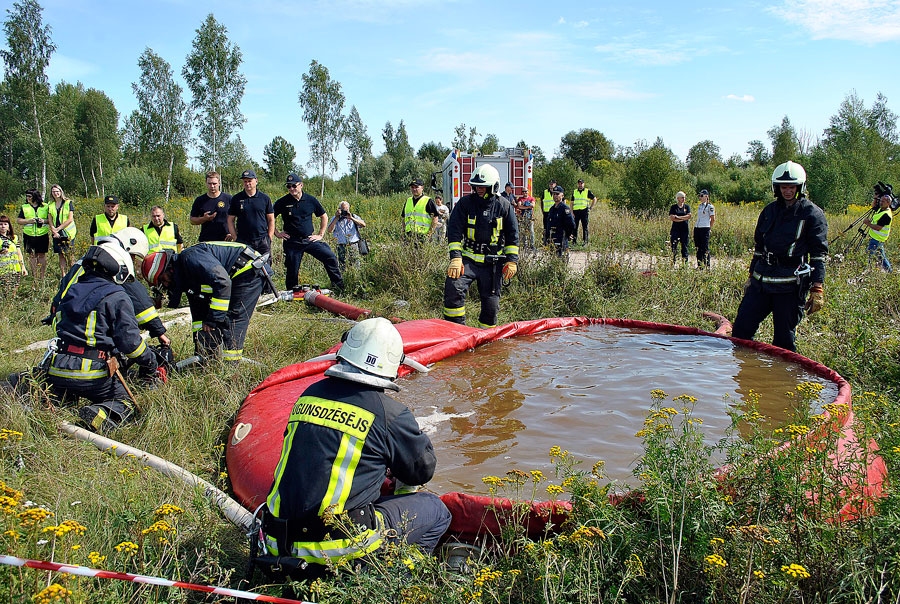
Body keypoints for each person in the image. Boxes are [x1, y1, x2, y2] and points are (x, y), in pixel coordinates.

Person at [260, 318, 451, 574]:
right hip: (334, 546)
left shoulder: (308, 395)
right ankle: (398, 576)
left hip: (275, 539)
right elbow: (420, 471)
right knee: (436, 510)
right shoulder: (389, 413)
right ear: (393, 366)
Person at [45, 242, 162, 433]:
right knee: (126, 403)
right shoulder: (116, 296)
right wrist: (150, 362)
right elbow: (131, 344)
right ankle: (97, 415)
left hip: (58, 369)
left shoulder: (73, 289)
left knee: (62, 398)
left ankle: (58, 404)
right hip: (91, 374)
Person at [732, 161, 828, 352]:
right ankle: (745, 375)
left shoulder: (812, 214)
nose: (787, 191)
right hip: (761, 283)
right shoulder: (769, 211)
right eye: (784, 187)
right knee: (741, 331)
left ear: (800, 187)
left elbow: (818, 254)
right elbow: (759, 248)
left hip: (790, 287)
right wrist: (751, 277)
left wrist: (817, 288)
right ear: (777, 188)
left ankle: (783, 381)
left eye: (791, 187)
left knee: (784, 341)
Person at [142, 241, 271, 363]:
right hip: (235, 275)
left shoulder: (191, 258)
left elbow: (222, 283)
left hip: (247, 270)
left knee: (232, 320)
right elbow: (198, 312)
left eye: (162, 280)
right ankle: (210, 360)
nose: (165, 284)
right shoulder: (185, 277)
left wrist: (212, 320)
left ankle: (232, 369)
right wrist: (200, 347)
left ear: (168, 269)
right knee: (217, 320)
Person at [49, 228, 171, 349]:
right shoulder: (113, 261)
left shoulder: (87, 259)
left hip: (63, 324)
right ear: (128, 247)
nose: (132, 260)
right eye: (133, 256)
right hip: (86, 330)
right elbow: (139, 300)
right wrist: (159, 332)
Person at [443, 164, 518, 328]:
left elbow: (513, 236)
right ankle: (455, 332)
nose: (479, 189)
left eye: (483, 186)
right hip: (467, 260)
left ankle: (485, 343)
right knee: (453, 288)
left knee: (491, 306)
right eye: (476, 186)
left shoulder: (504, 206)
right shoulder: (464, 204)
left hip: (492, 263)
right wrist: (456, 258)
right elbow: (454, 232)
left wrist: (511, 261)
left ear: (494, 186)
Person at [274, 173, 344, 292]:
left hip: (309, 239)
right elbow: (270, 218)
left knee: (330, 256)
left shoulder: (310, 200)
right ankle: (292, 293)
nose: (291, 189)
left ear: (301, 185)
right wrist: (277, 233)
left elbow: (324, 216)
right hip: (292, 241)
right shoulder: (283, 202)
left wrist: (320, 234)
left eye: (294, 186)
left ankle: (338, 287)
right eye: (288, 186)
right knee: (292, 269)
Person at [228, 169, 275, 256]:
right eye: (245, 181)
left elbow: (271, 219)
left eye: (249, 181)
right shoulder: (236, 199)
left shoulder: (265, 198)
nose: (247, 183)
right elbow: (230, 220)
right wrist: (235, 238)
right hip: (243, 241)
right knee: (243, 267)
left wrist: (269, 237)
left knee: (265, 267)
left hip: (262, 240)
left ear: (256, 181)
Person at [190, 171, 234, 243]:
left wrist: (233, 233)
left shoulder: (229, 199)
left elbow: (239, 218)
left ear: (219, 183)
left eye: (214, 183)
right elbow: (192, 220)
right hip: (206, 241)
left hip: (225, 240)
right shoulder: (200, 200)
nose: (212, 186)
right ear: (206, 183)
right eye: (209, 184)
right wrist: (204, 219)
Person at [16, 189, 49, 283]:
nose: (28, 198)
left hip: (42, 234)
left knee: (41, 255)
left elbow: (50, 220)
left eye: (29, 196)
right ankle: (35, 277)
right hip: (29, 235)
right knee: (32, 256)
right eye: (27, 196)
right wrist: (28, 221)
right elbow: (18, 220)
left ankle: (42, 277)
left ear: (35, 196)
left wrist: (43, 221)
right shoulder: (24, 207)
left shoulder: (45, 206)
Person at [327, 200, 366, 271]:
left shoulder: (354, 216)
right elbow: (329, 230)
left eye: (346, 209)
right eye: (343, 210)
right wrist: (336, 218)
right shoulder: (335, 218)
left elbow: (363, 224)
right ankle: (343, 279)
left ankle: (355, 278)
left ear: (349, 209)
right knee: (342, 265)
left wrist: (351, 218)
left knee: (355, 264)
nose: (345, 212)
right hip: (341, 245)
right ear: (339, 209)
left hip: (353, 244)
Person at [47, 184, 77, 275]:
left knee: (69, 254)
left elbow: (70, 219)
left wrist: (59, 228)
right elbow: (50, 219)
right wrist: (53, 230)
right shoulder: (50, 204)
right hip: (56, 233)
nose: (56, 193)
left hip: (68, 232)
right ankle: (63, 275)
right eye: (54, 192)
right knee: (61, 254)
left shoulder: (68, 203)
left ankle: (72, 274)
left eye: (57, 191)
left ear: (61, 192)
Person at [863, 192, 893, 272]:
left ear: (888, 203)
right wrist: (875, 198)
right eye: (881, 201)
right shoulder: (881, 209)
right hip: (877, 238)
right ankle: (889, 271)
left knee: (868, 256)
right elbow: (873, 207)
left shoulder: (886, 215)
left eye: (883, 201)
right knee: (881, 257)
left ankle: (866, 271)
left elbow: (878, 228)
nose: (881, 202)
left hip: (877, 239)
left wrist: (868, 223)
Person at [0, 215, 27, 294]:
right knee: (5, 291)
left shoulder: (14, 238)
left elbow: (19, 253)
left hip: (15, 268)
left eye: (5, 224)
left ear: (9, 226)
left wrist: (23, 267)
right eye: (1, 224)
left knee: (14, 290)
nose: (3, 226)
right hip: (3, 270)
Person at [546, 185, 576, 257]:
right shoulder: (552, 209)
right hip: (552, 237)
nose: (555, 196)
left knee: (561, 258)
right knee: (553, 258)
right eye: (554, 194)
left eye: (557, 194)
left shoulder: (565, 209)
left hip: (561, 237)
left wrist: (568, 234)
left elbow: (571, 224)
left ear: (562, 195)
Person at [570, 179, 596, 246]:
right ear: (577, 184)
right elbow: (572, 202)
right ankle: (574, 242)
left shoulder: (587, 191)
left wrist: (590, 207)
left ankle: (585, 242)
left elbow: (594, 199)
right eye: (579, 183)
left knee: (585, 227)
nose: (580, 185)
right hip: (576, 211)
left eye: (581, 183)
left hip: (584, 211)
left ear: (583, 184)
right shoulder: (575, 191)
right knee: (574, 227)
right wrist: (571, 212)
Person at [693, 189, 715, 268]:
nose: (700, 197)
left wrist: (709, 228)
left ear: (706, 196)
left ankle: (707, 265)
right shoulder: (700, 206)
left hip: (705, 228)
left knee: (705, 248)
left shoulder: (710, 206)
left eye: (702, 196)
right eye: (700, 196)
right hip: (697, 227)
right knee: (698, 247)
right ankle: (700, 266)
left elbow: (712, 219)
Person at [669, 191, 691, 265]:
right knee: (674, 246)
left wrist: (678, 217)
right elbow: (672, 218)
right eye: (682, 197)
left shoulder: (687, 207)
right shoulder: (674, 207)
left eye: (684, 197)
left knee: (684, 246)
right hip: (675, 229)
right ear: (678, 198)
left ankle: (684, 264)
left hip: (684, 230)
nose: (684, 199)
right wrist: (683, 218)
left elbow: (689, 216)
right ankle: (673, 262)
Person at [540, 179, 557, 245]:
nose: (551, 185)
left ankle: (554, 241)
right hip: (546, 213)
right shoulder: (545, 192)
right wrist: (542, 210)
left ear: (555, 184)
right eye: (550, 184)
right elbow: (541, 201)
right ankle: (546, 241)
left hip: (555, 212)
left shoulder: (557, 192)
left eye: (552, 184)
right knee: (546, 228)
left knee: (555, 227)